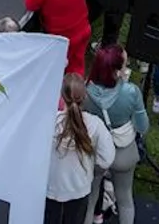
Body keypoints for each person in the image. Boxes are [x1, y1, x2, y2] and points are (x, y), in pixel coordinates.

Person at [84, 44, 147, 224]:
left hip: (95, 152)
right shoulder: (131, 92)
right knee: (125, 200)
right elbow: (143, 127)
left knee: (90, 199)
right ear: (117, 71)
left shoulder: (85, 91)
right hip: (122, 152)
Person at [44, 72, 113, 224]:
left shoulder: (49, 122)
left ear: (61, 96)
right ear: (85, 97)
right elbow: (106, 159)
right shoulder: (95, 124)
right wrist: (93, 167)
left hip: (51, 186)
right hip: (79, 187)